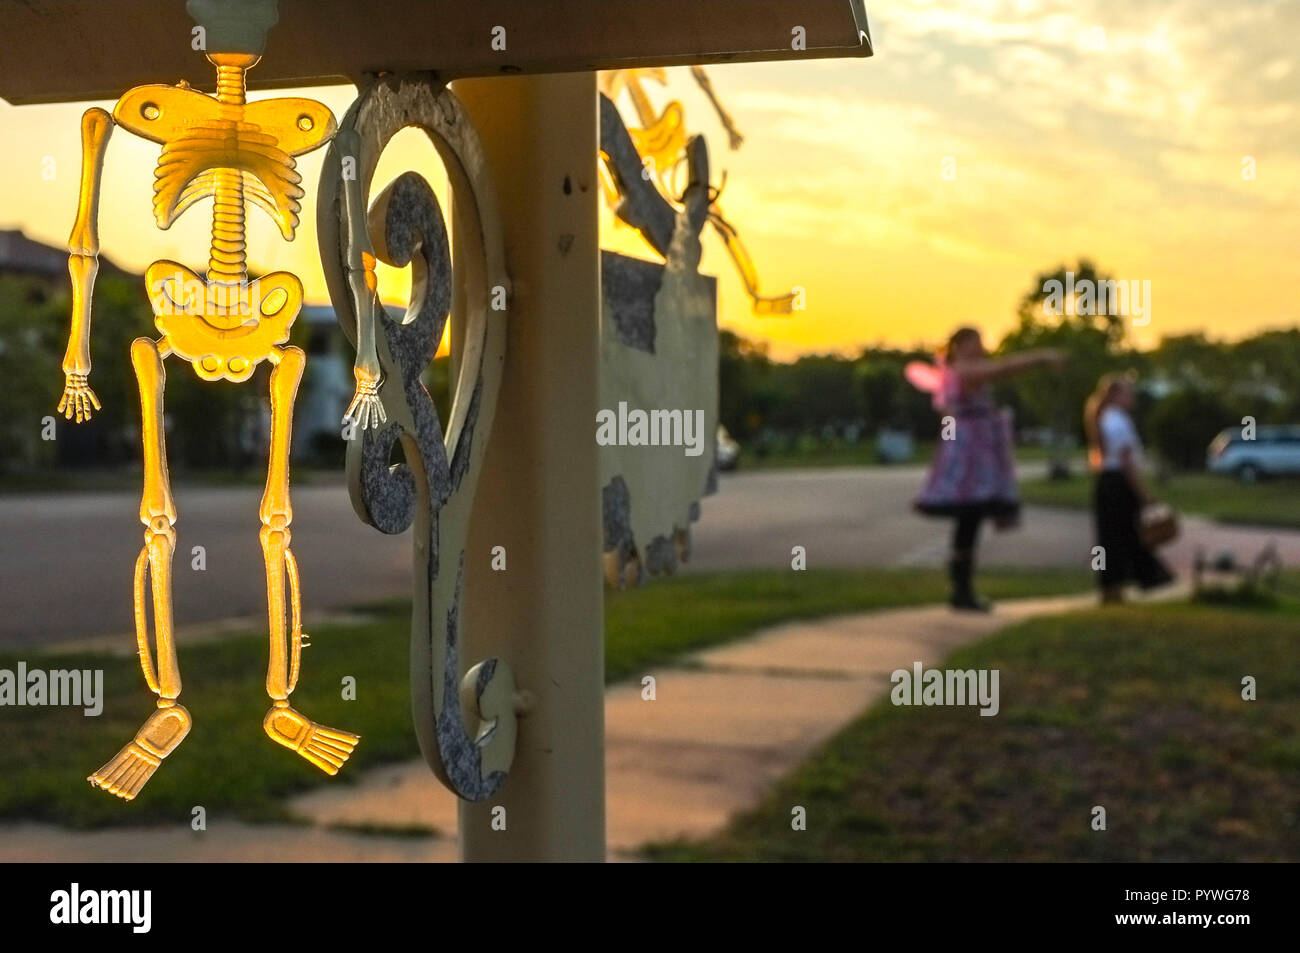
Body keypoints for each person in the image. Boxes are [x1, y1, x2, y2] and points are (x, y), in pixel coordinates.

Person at [912, 327, 1064, 611]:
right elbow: (1005, 368)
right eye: (973, 342)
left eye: (980, 341)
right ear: (958, 345)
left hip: (972, 448)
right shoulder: (965, 371)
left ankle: (962, 588)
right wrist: (1042, 357)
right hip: (972, 452)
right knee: (970, 516)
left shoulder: (952, 372)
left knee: (970, 520)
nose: (979, 347)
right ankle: (961, 591)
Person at [1084, 371, 1173, 603]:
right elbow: (1127, 463)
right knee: (1131, 533)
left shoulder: (1102, 418)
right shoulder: (1118, 421)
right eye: (1127, 392)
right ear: (1115, 395)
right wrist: (1143, 494)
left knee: (1110, 537)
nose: (1132, 396)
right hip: (1119, 482)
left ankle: (1113, 585)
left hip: (1106, 482)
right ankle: (1144, 579)